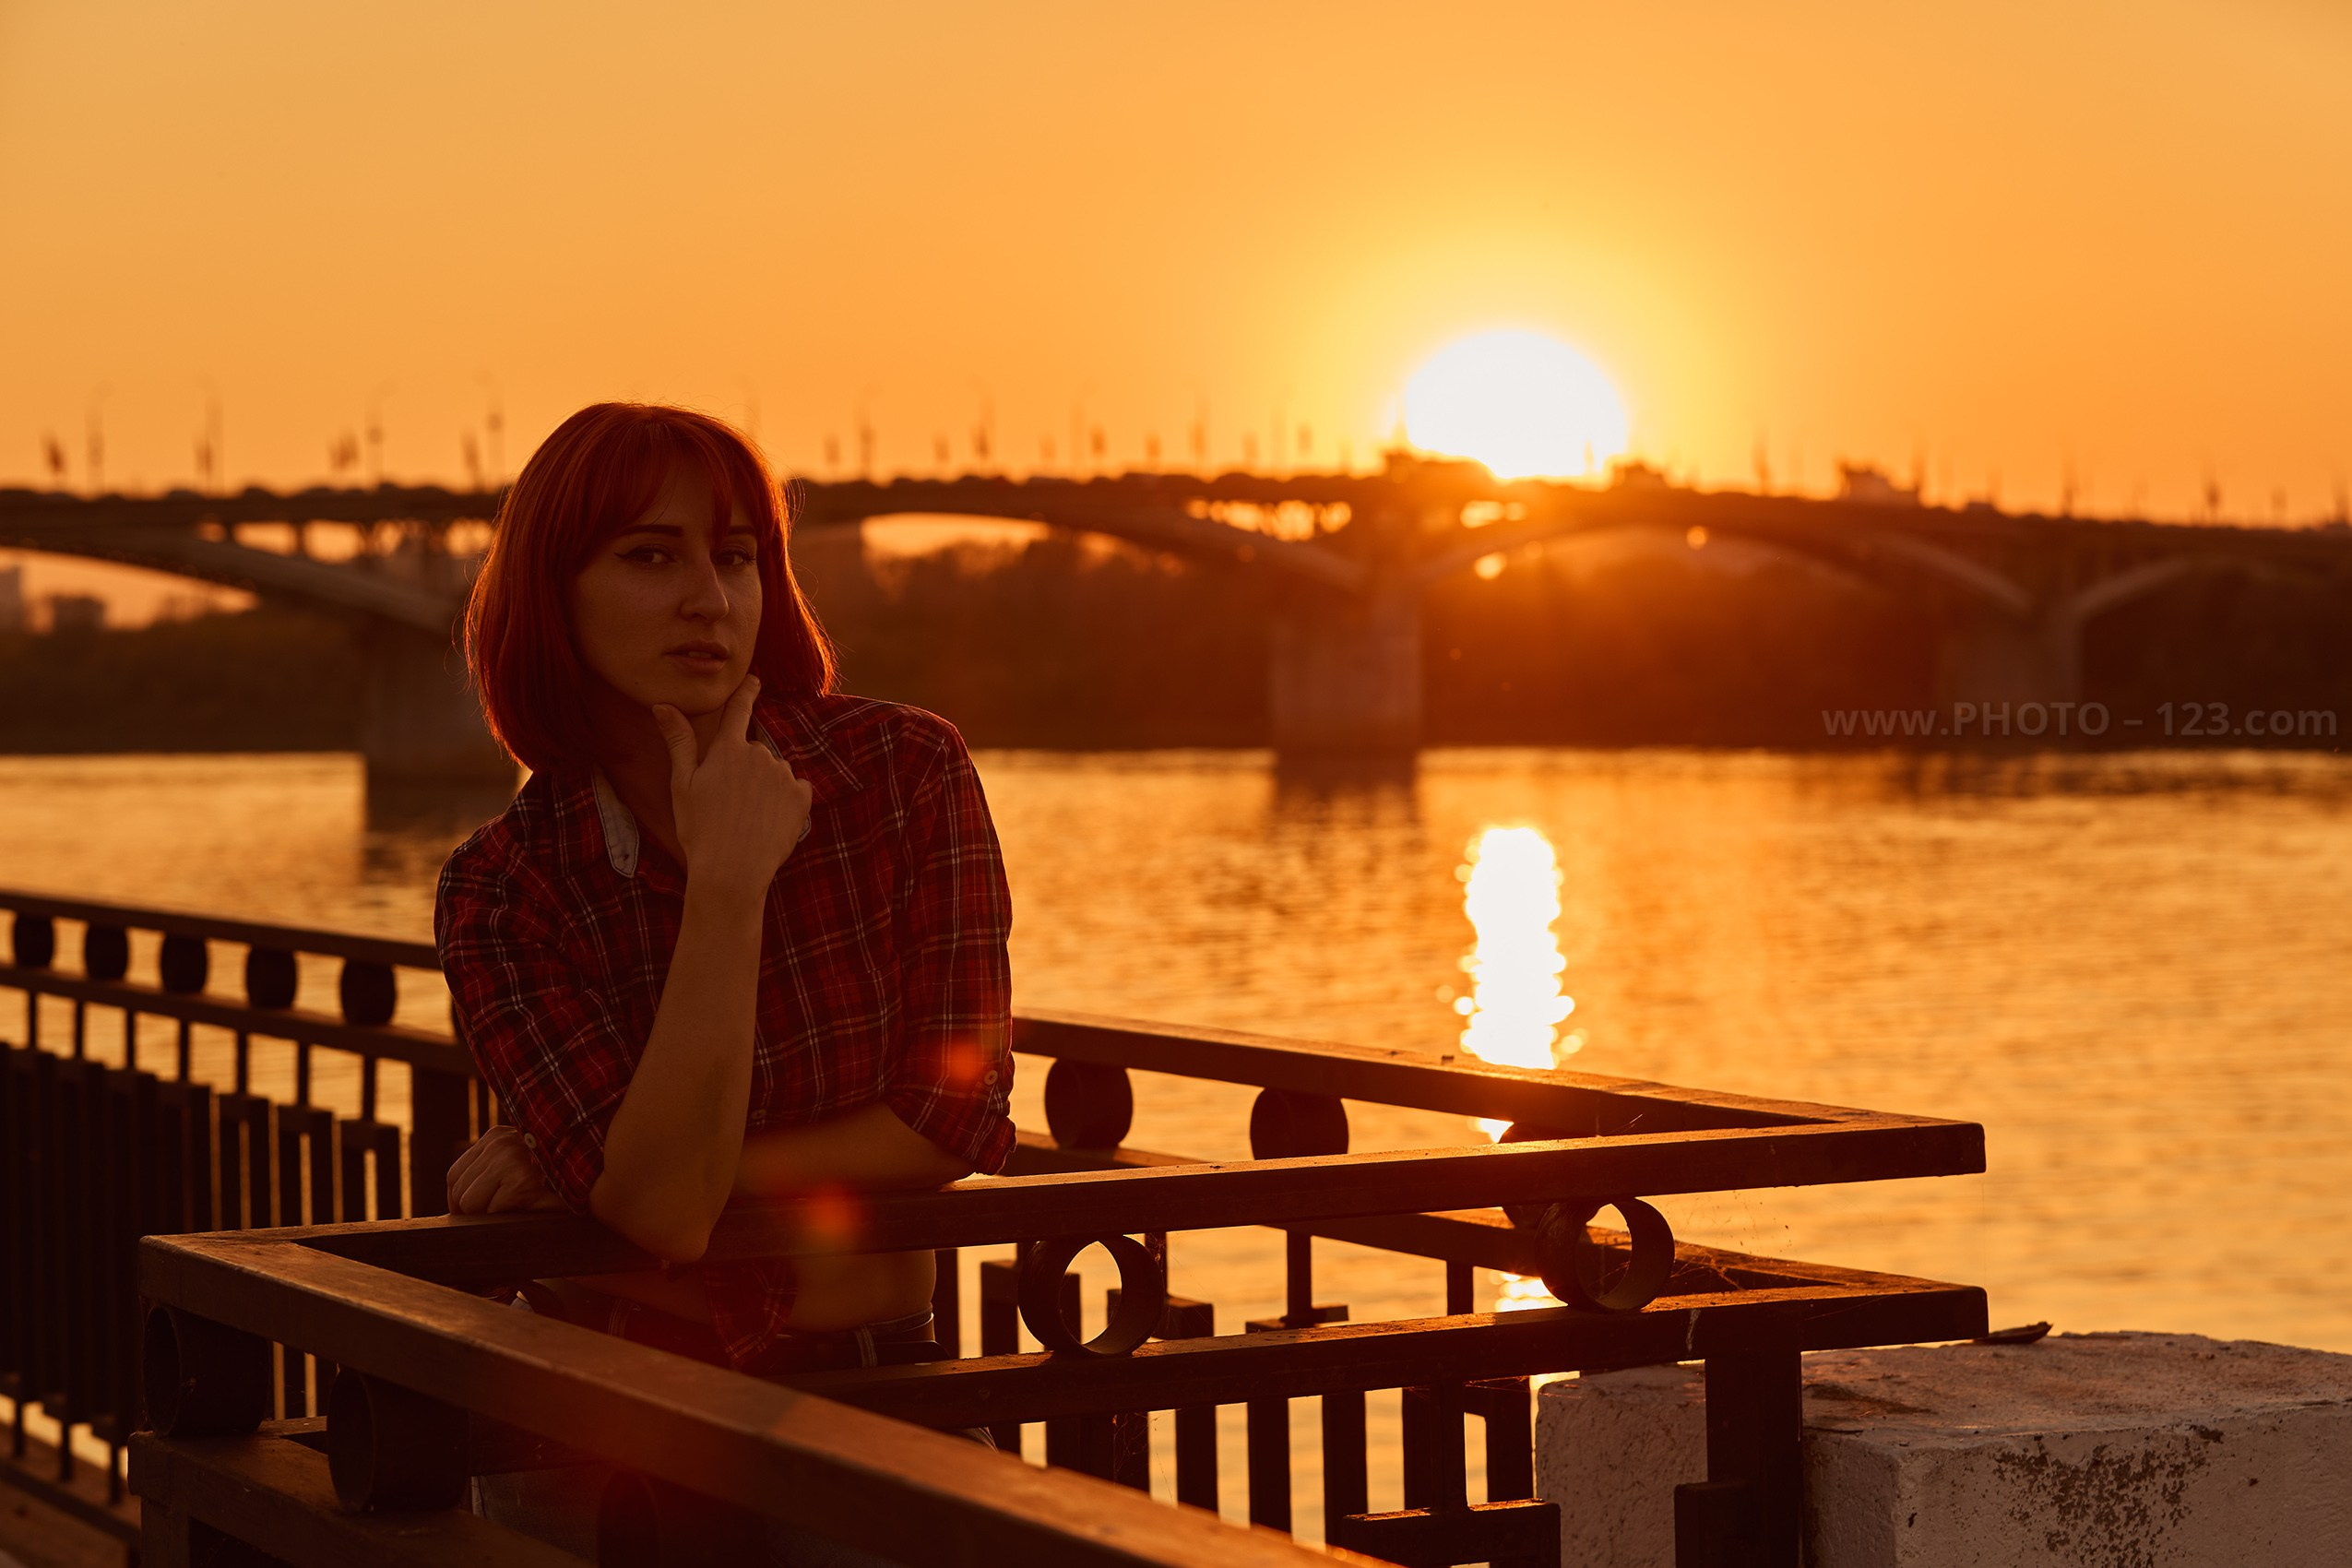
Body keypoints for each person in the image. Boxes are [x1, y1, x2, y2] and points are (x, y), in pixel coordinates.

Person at [434, 402, 1014, 1562]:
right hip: (596, 1419)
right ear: (555, 589)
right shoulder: (504, 887)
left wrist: (598, 1165)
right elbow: (657, 1211)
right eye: (652, 555)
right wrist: (729, 886)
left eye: (737, 555)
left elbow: (950, 1117)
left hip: (887, 1401)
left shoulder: (902, 774)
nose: (710, 595)